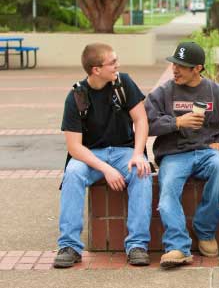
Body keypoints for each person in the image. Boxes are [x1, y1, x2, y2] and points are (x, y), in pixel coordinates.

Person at [54, 43, 152, 268]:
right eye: (112, 63)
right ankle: (69, 245)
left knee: (141, 171)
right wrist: (106, 169)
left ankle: (137, 245)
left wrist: (138, 154)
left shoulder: (123, 83)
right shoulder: (76, 97)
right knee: (73, 173)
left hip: (124, 151)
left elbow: (141, 120)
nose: (117, 66)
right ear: (96, 69)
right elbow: (74, 148)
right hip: (91, 155)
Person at [145, 41, 219, 268]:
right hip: (174, 155)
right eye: (174, 64)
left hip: (207, 152)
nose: (175, 70)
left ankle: (205, 230)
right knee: (167, 188)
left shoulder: (217, 93)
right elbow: (146, 124)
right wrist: (177, 122)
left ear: (197, 68)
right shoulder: (164, 93)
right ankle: (178, 246)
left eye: (181, 66)